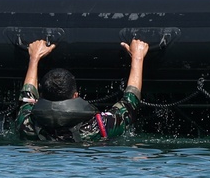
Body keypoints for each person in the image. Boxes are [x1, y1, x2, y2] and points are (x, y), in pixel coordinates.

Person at [15, 38, 148, 142]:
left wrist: (34, 58)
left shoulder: (28, 126)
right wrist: (137, 57)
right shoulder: (99, 127)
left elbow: (27, 97)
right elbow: (130, 102)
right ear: (75, 96)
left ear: (41, 96)